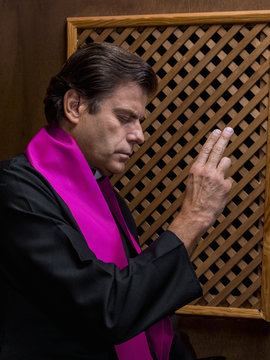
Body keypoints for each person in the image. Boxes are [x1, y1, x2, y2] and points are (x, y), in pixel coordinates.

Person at [0, 42, 233, 360]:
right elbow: (108, 308)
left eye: (139, 120)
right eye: (125, 117)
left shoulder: (107, 198)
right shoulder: (15, 191)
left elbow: (139, 298)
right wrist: (194, 217)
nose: (139, 134)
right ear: (75, 106)